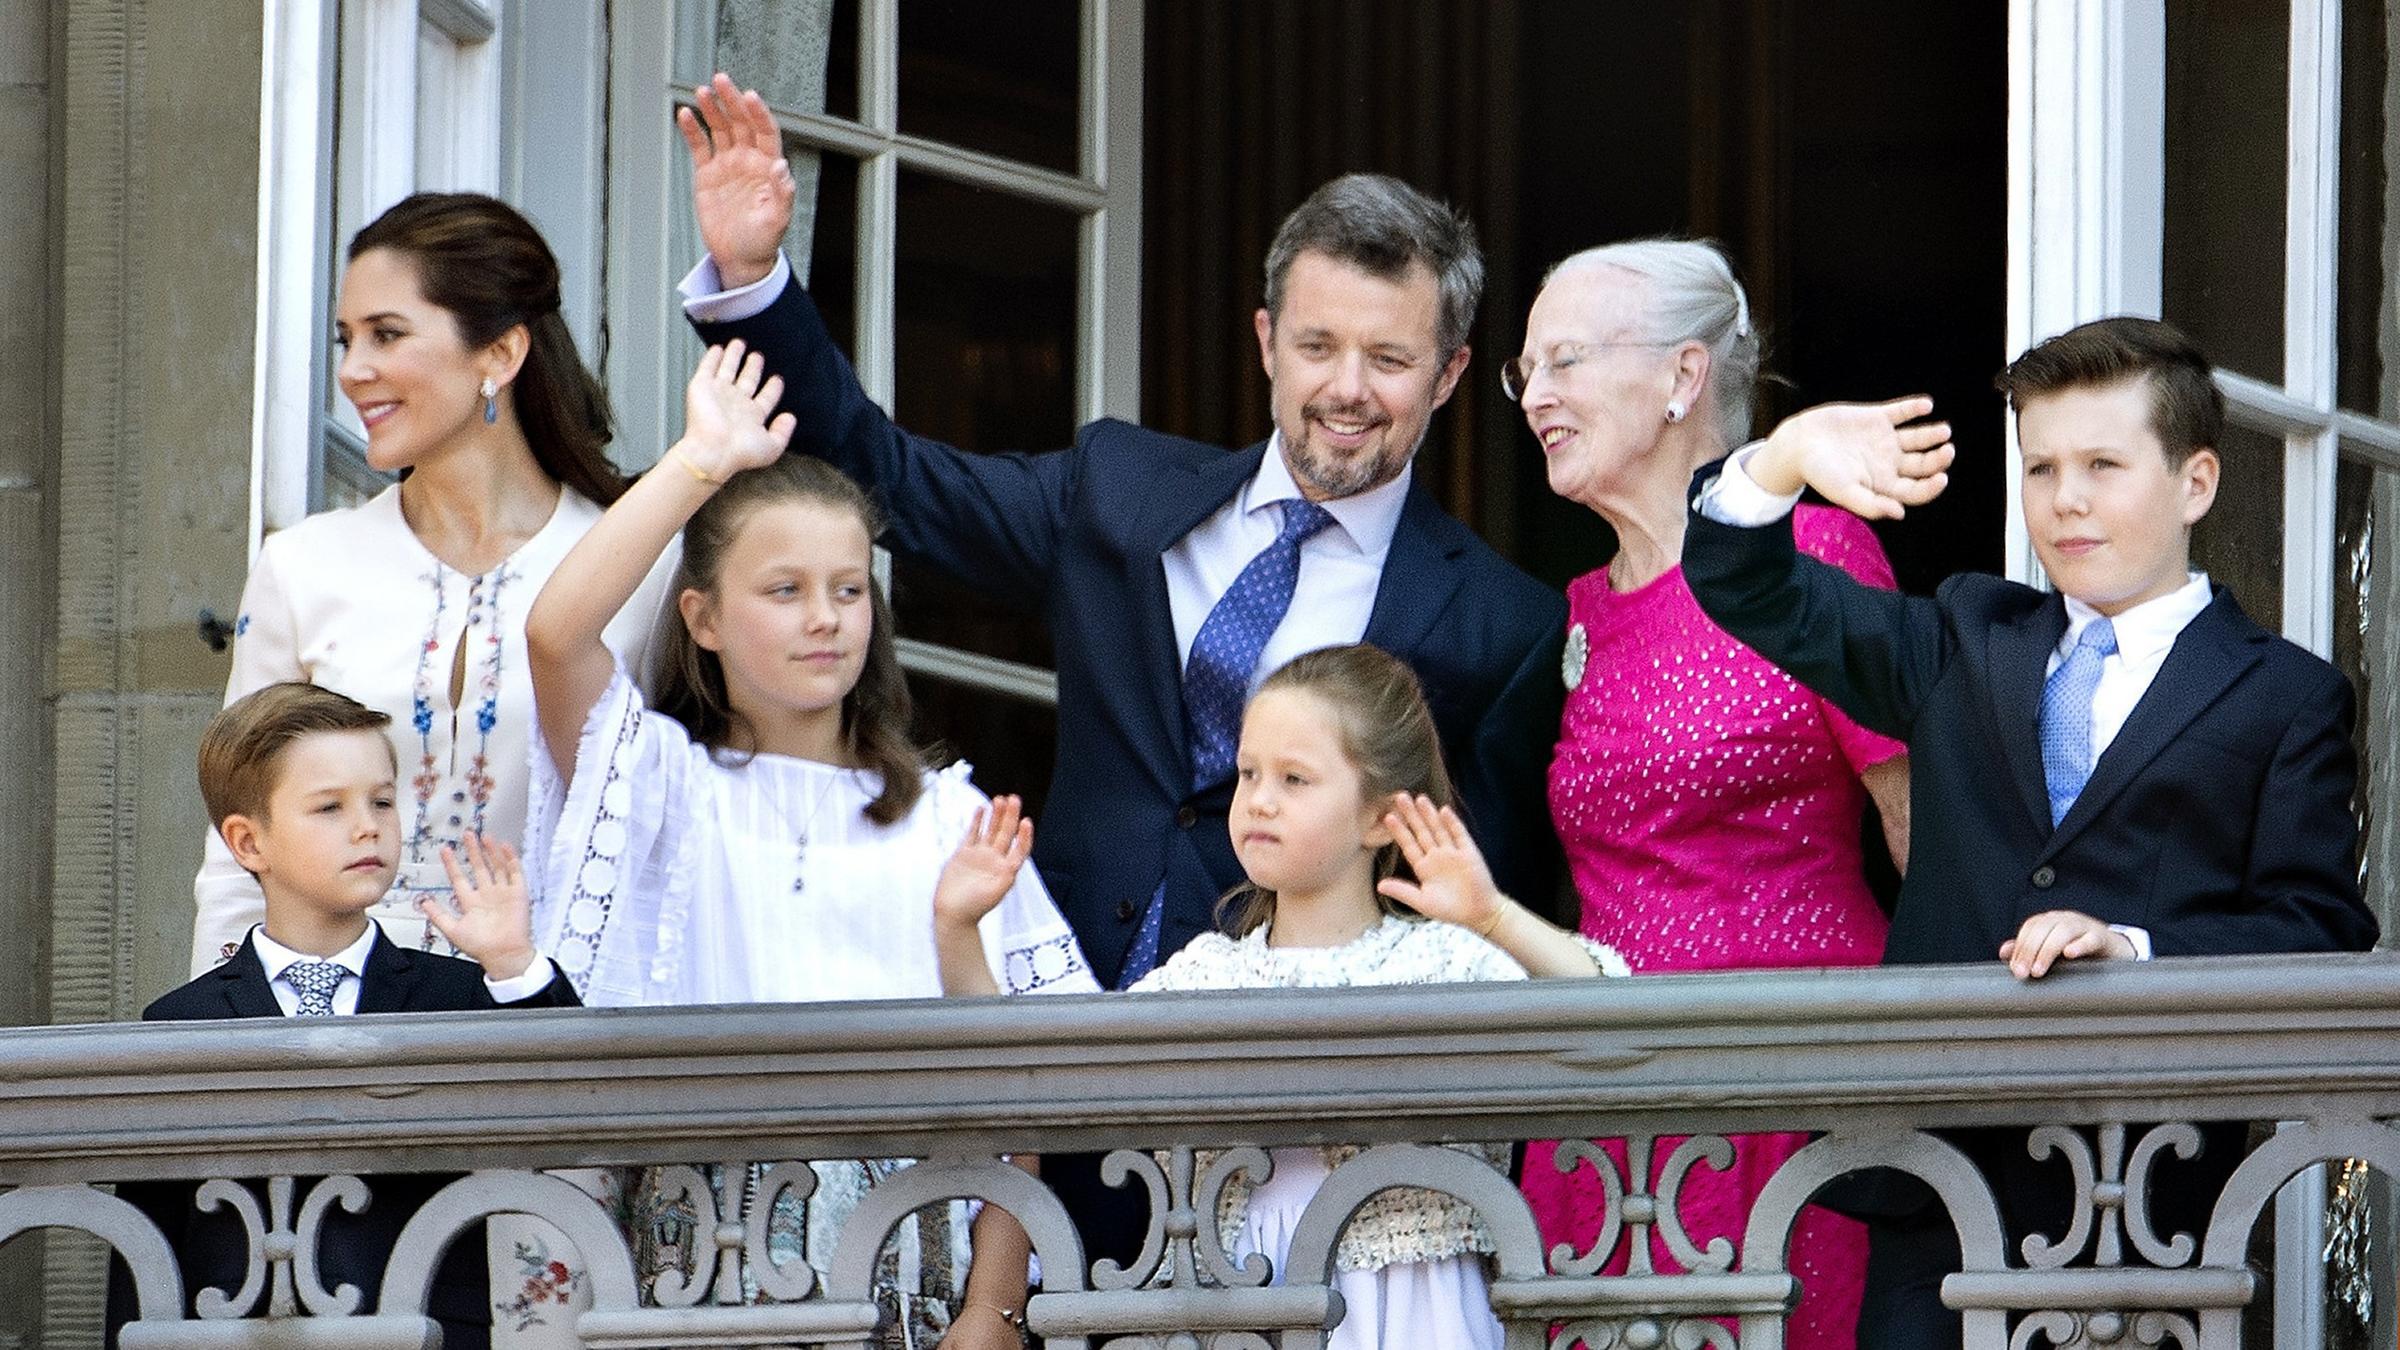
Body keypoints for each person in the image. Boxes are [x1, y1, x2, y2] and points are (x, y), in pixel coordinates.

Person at [672, 75, 1567, 996]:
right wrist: (753, 282)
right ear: (1267, 342)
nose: (1347, 388)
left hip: (1285, 1050)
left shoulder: (1504, 625)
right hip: (1060, 998)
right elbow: (891, 477)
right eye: (1316, 346)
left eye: (1388, 359)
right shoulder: (1118, 487)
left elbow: (1486, 908)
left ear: (1448, 374)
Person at [1681, 316, 2379, 1347]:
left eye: (2103, 465)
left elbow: (2320, 931)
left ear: (2196, 483)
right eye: (2041, 467)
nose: (2065, 499)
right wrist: (1781, 458)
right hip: (1932, 1190)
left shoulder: (2284, 696)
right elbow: (1750, 588)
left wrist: (2134, 950)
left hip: (2145, 1206)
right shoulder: (1965, 635)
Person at [521, 340, 1099, 1347]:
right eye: (783, 590)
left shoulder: (946, 818)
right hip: (704, 1280)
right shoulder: (662, 789)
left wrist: (994, 1307)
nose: (825, 619)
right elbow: (555, 635)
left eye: (848, 588)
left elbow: (1026, 1089)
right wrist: (698, 463)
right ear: (702, 617)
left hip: (912, 1283)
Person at [947, 643, 1622, 1350]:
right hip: (1242, 1310)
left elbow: (1612, 1020)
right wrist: (960, 930)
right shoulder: (1206, 974)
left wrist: (1492, 916)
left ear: (1380, 817)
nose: (1260, 799)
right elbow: (1039, 1071)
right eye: (1248, 773)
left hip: (1413, 1311)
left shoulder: (1443, 960)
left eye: (1295, 779)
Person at [1506, 241, 1908, 1347]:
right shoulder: (1584, 609)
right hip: (1609, 1101)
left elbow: (1921, 827)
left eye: (1566, 361)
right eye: (1525, 371)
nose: (1535, 396)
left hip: (1792, 1080)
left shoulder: (1814, 550)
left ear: (1684, 376)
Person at [192, 191, 674, 977]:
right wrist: (228, 1026)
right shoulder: (303, 566)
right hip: (342, 1025)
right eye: (347, 339)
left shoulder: (641, 567)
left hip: (561, 1012)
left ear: (500, 354)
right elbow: (237, 851)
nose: (353, 370)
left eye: (386, 334)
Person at [108, 682, 579, 1350]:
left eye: (382, 801)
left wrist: (512, 964)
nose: (368, 826)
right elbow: (146, 1247)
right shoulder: (183, 1023)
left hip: (427, 1334)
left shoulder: (455, 994)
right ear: (248, 842)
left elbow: (568, 1101)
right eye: (329, 807)